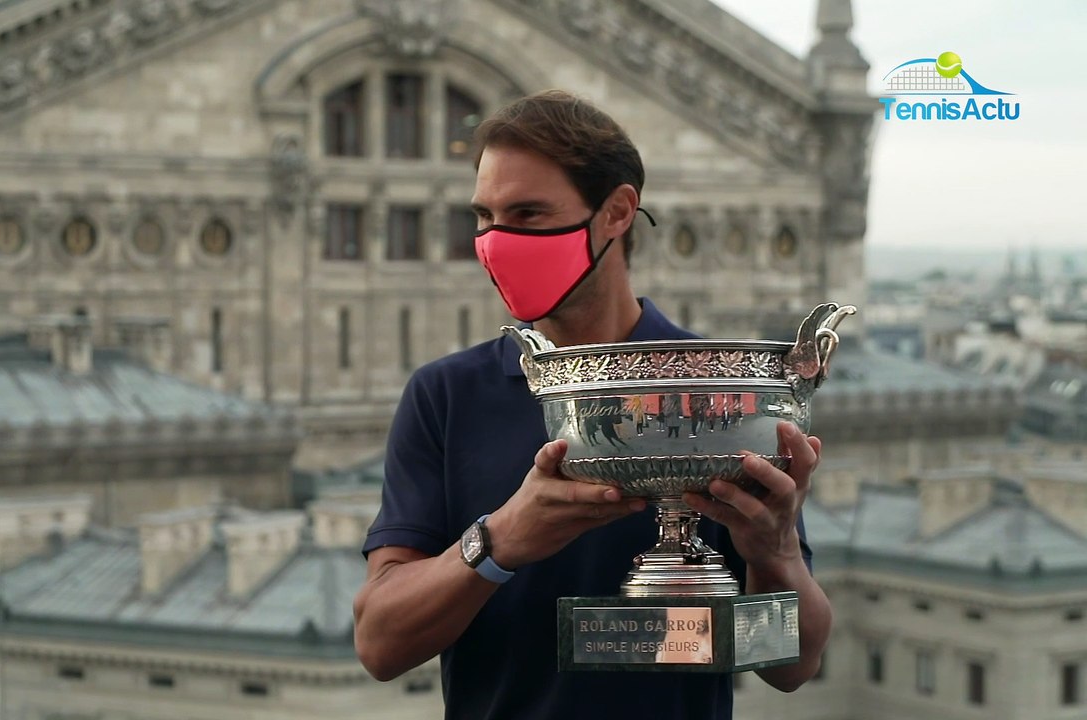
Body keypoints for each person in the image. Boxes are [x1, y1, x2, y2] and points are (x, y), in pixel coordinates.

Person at [353, 90, 830, 720]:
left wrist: (776, 552)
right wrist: (501, 540)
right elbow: (380, 643)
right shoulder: (447, 394)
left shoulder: (719, 386)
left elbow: (793, 667)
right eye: (485, 217)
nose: (496, 241)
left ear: (617, 213)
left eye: (527, 214)